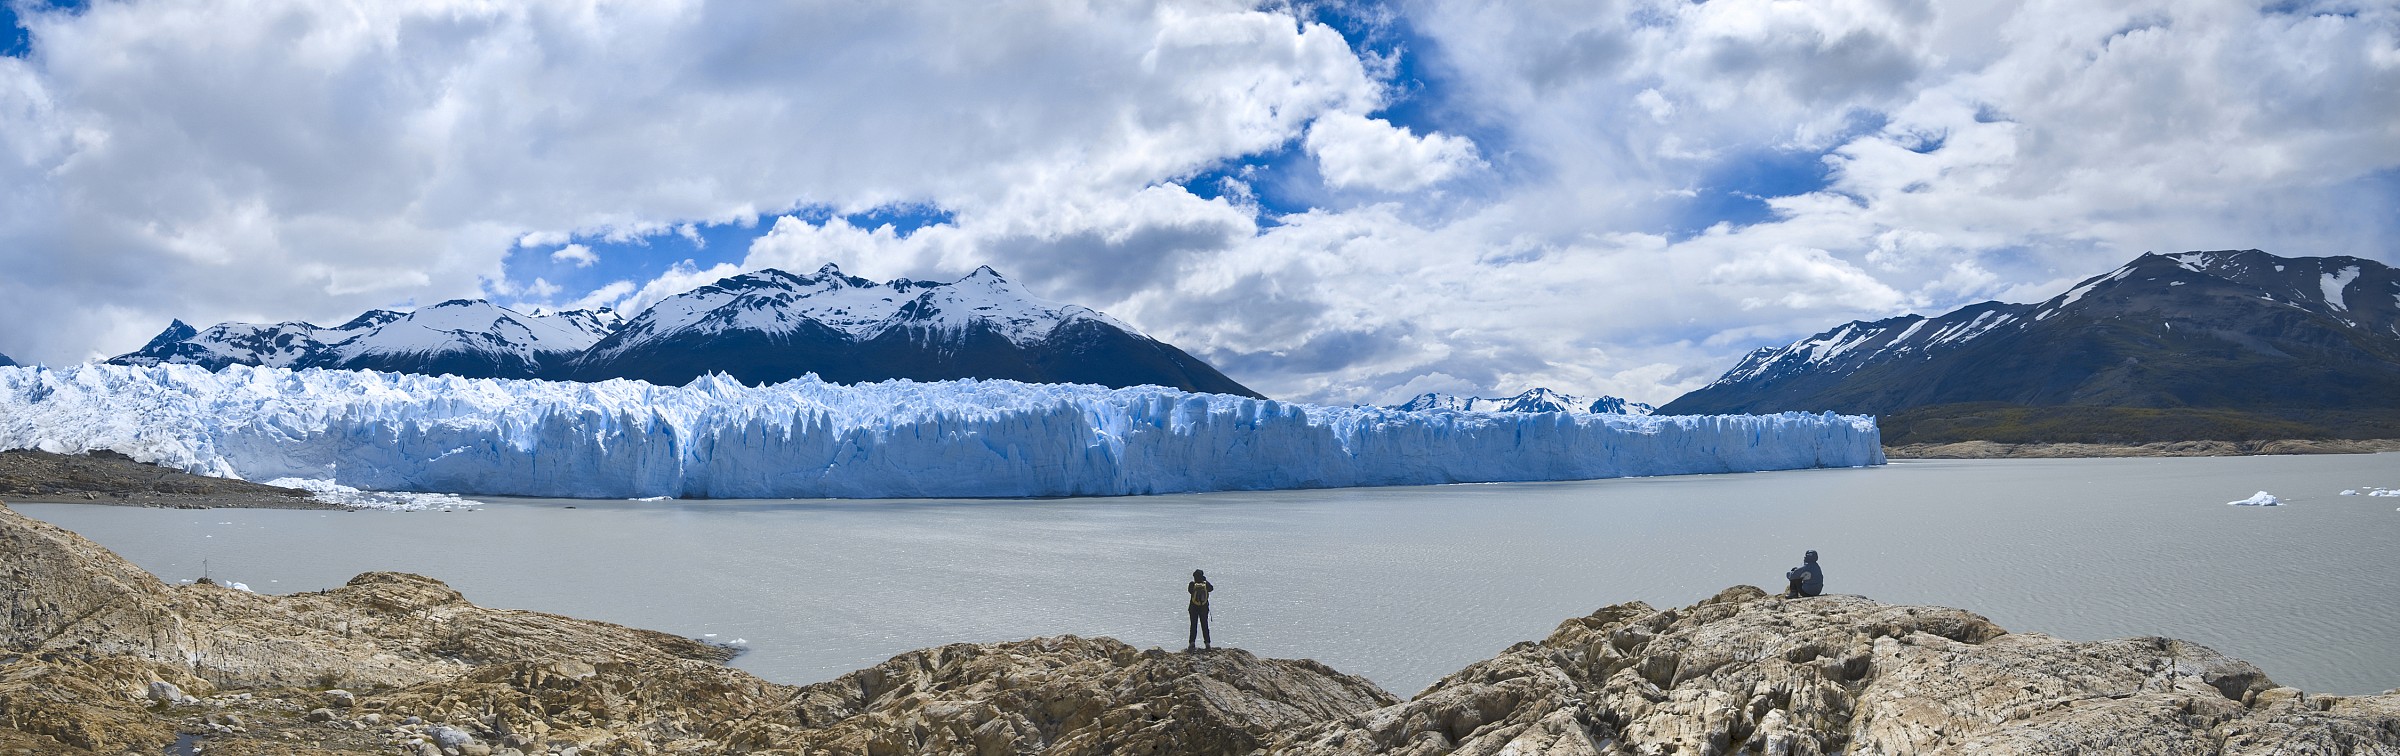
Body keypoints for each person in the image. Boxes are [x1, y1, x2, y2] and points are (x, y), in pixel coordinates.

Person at [1187, 569, 1214, 650]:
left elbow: (1190, 591)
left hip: (1193, 607)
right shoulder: (1205, 584)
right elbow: (1211, 588)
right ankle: (1207, 643)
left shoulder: (1192, 584)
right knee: (1205, 625)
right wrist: (1205, 580)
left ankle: (1192, 643)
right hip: (1204, 607)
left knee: (1193, 625)